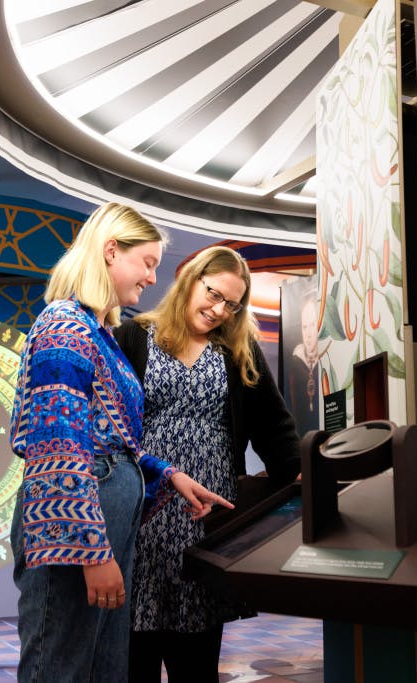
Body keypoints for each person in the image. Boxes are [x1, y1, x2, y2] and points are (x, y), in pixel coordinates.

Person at [8, 203, 232, 682]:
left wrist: (168, 474)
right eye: (148, 262)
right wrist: (92, 552)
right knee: (61, 669)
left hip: (104, 521)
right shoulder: (64, 326)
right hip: (80, 530)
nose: (153, 278)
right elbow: (58, 448)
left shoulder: (98, 332)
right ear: (112, 252)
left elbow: (111, 439)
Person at [113, 245, 301, 682]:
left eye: (231, 305)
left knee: (196, 659)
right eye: (213, 295)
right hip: (142, 513)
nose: (219, 310)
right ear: (191, 281)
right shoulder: (132, 336)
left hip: (207, 517)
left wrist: (297, 475)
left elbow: (274, 425)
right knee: (133, 655)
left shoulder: (239, 350)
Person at [284, 278, 321, 438]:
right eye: (305, 327)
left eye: (313, 325)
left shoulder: (328, 362)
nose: (309, 333)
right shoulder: (293, 365)